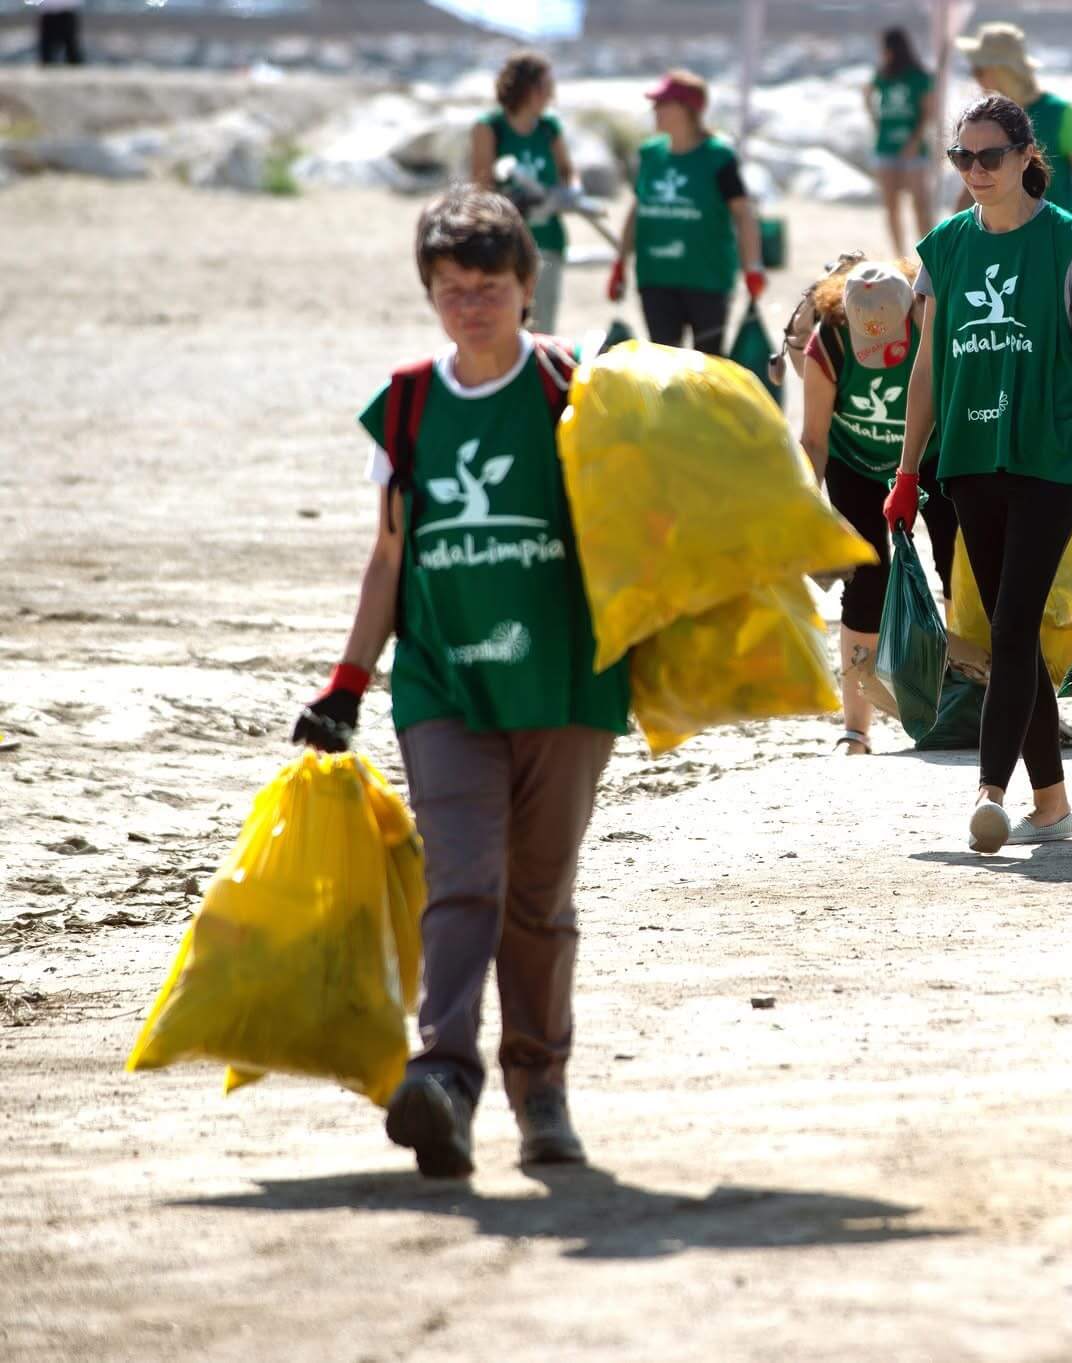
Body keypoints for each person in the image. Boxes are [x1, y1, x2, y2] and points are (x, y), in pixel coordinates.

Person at [292, 187, 630, 1177]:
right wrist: (347, 681)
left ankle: (543, 1092)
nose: (469, 307)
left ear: (527, 286)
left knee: (537, 898)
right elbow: (389, 557)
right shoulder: (406, 405)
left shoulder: (576, 389)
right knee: (462, 881)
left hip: (568, 685)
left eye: (488, 287)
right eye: (449, 290)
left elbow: (645, 529)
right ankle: (441, 1075)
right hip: (443, 684)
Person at [888, 95, 1072, 853]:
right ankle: (1052, 806)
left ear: (1022, 157)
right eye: (962, 158)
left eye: (989, 156)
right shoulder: (943, 248)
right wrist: (908, 471)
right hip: (969, 463)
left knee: (1011, 626)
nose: (974, 171)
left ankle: (989, 791)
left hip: (1047, 462)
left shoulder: (1070, 245)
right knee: (1014, 636)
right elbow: (925, 372)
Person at [796, 258, 957, 755]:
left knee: (959, 568)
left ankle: (970, 699)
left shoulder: (934, 325)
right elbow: (814, 439)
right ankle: (856, 731)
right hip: (856, 464)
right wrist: (809, 508)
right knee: (867, 581)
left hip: (930, 454)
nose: (880, 355)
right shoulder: (829, 343)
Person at [609, 69, 767, 356]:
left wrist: (752, 266)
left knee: (707, 366)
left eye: (662, 103)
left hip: (707, 279)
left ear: (687, 109)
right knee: (664, 366)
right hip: (655, 276)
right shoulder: (650, 154)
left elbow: (743, 214)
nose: (655, 110)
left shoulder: (718, 157)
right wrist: (620, 260)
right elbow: (638, 207)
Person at [953, 23, 1072, 261]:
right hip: (999, 243)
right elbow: (971, 182)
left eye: (978, 70)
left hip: (1055, 246)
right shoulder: (985, 120)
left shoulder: (1060, 114)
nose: (975, 77)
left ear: (1000, 71)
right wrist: (952, 238)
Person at [473, 50, 577, 335]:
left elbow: (568, 173)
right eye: (545, 87)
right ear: (527, 88)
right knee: (504, 322)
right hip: (505, 242)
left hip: (547, 239)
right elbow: (481, 185)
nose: (550, 95)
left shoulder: (548, 128)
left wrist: (563, 195)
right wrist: (512, 202)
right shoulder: (491, 127)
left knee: (542, 325)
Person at [869, 27, 936, 258]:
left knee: (920, 204)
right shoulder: (883, 74)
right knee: (891, 206)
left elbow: (929, 112)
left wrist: (915, 139)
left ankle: (928, 254)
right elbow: (866, 92)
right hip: (886, 147)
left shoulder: (919, 76)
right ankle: (899, 255)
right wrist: (875, 121)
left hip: (913, 148)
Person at [37, 0, 82, 66]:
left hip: (67, 12)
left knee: (71, 47)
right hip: (47, 13)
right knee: (46, 50)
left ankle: (76, 70)